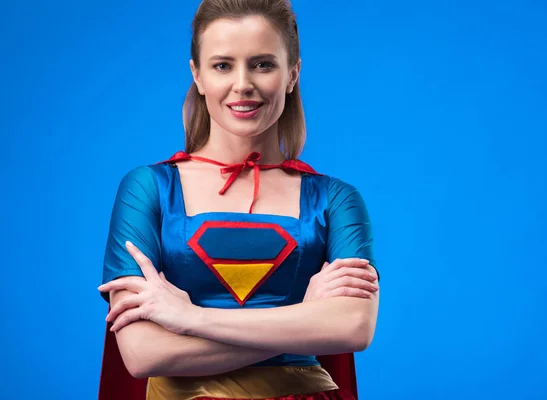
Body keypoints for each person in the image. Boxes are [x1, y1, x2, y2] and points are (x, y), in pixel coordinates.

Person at [97, 0, 379, 399]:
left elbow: (353, 328)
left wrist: (188, 318)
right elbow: (143, 353)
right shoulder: (149, 189)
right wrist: (302, 321)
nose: (243, 83)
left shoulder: (336, 201)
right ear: (197, 75)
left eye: (263, 64)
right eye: (223, 65)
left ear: (292, 74)